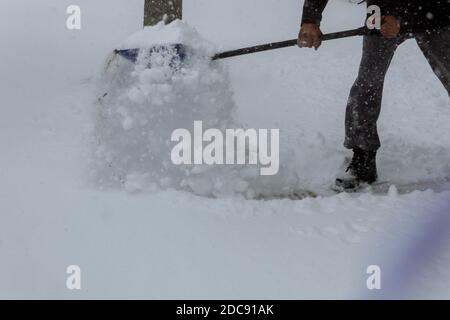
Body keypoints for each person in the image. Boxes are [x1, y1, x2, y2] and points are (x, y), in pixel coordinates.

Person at [298, 0, 450, 190]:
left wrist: (400, 19)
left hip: (435, 10)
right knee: (367, 83)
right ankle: (363, 160)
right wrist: (310, 20)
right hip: (381, 11)